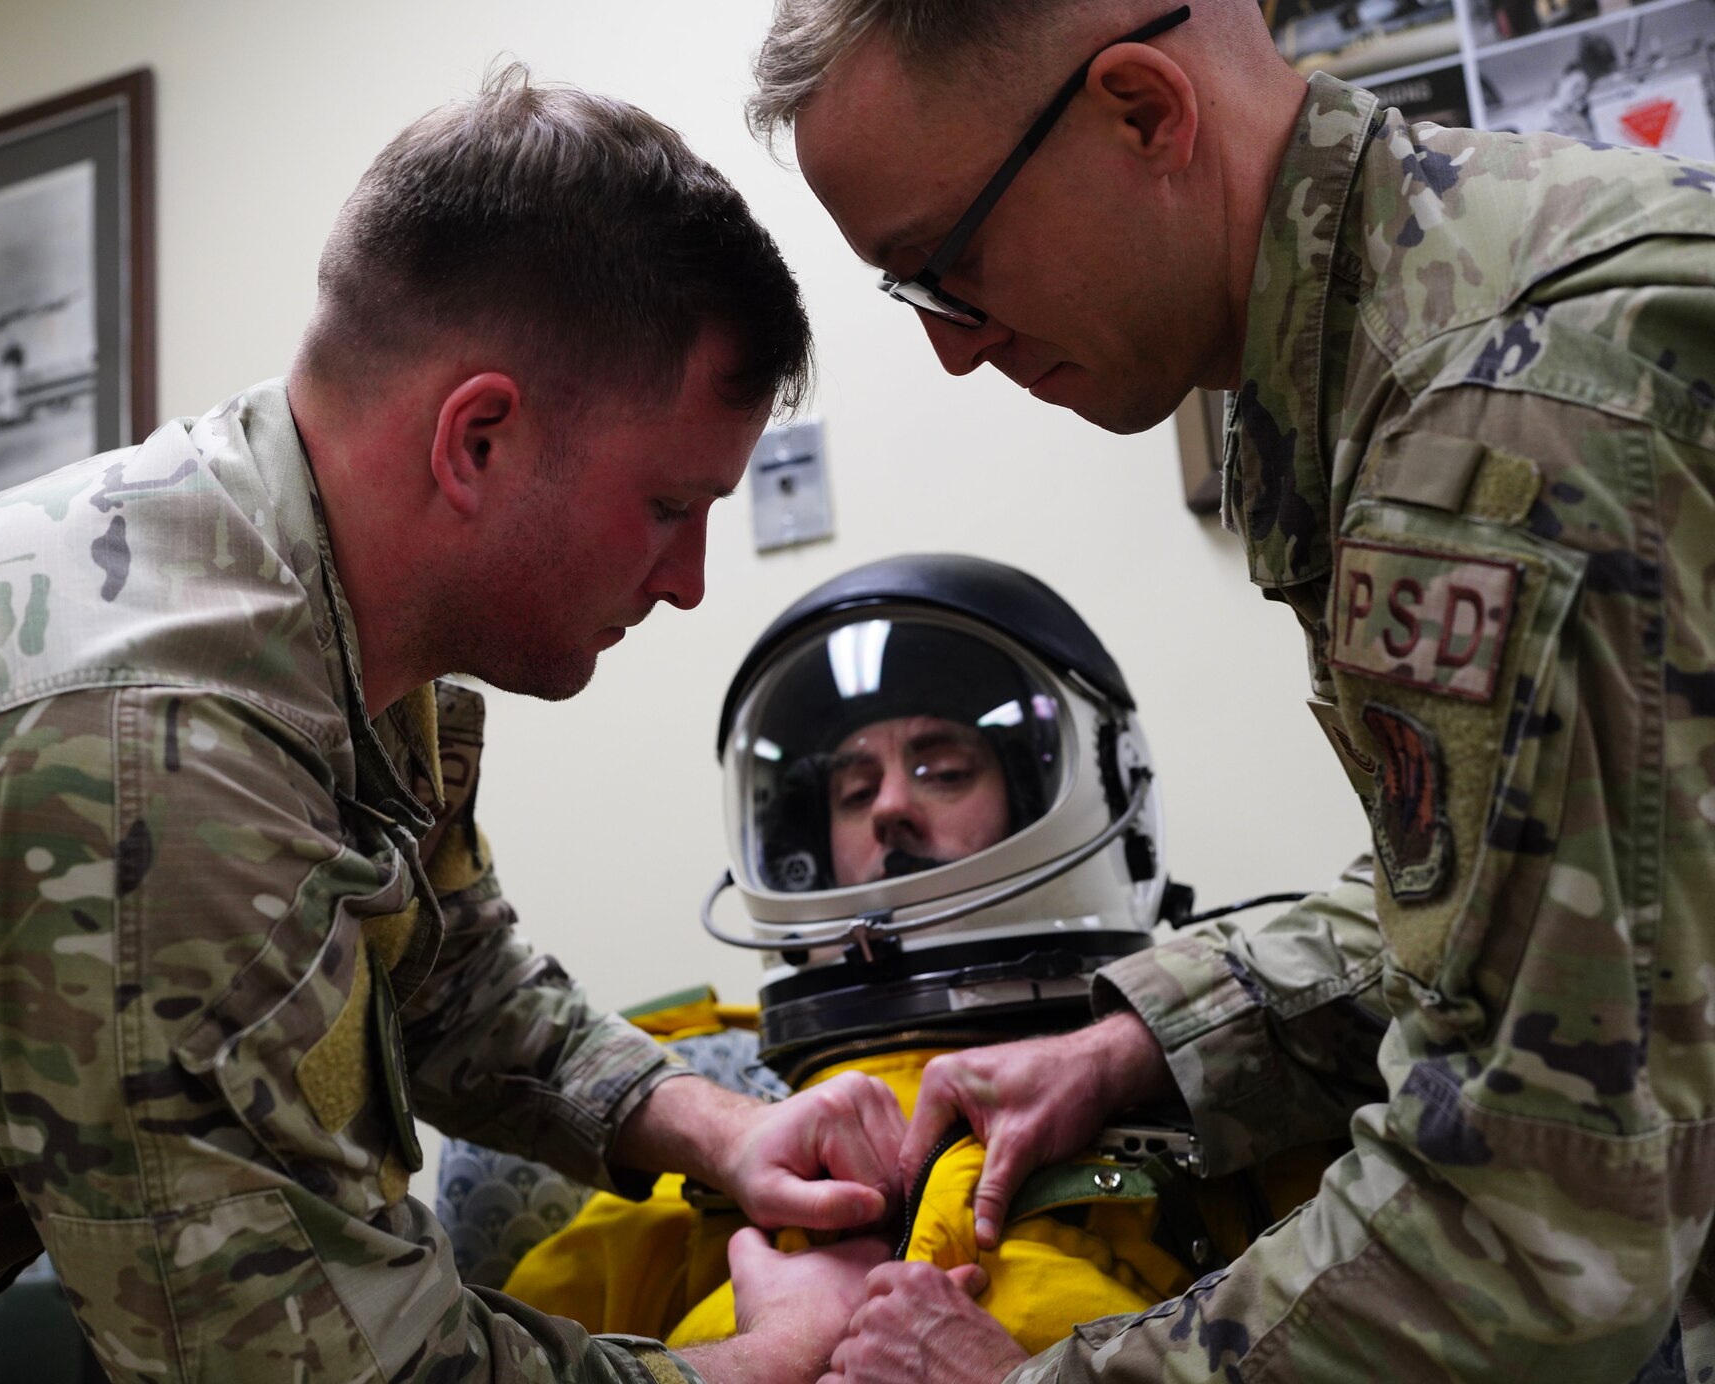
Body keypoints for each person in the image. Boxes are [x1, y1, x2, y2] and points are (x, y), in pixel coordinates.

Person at [0, 66, 908, 1384]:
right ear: (480, 442)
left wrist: (706, 1123)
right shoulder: (153, 760)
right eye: (671, 506)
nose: (685, 582)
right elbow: (308, 1370)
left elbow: (447, 975)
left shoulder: (303, 583)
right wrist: (759, 1364)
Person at [747, 1, 1715, 1380]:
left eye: (944, 267)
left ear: (1145, 112)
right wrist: (1146, 1039)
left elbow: (1541, 1223)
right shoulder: (1421, 318)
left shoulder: (1499, 425)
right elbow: (1510, 914)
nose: (953, 347)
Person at [490, 553, 1354, 1356]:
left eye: (942, 770)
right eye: (855, 789)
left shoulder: (1229, 1096)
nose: (891, 809)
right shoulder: (705, 1183)